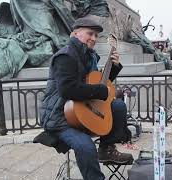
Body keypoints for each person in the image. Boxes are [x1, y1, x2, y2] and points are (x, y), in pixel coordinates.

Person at [40, 17, 133, 180]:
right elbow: (68, 90)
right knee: (85, 145)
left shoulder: (90, 56)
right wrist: (99, 90)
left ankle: (106, 149)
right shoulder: (65, 56)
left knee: (118, 106)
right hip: (60, 116)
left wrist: (114, 67)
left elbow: (96, 84)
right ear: (75, 34)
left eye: (96, 36)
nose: (94, 38)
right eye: (90, 34)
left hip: (83, 110)